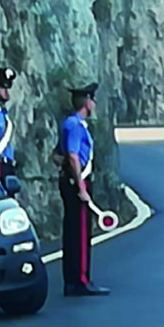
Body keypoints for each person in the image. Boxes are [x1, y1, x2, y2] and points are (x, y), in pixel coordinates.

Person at [56, 82, 110, 297]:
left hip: (70, 180)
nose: (94, 104)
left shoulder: (69, 124)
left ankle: (72, 280)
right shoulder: (76, 126)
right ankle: (81, 279)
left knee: (72, 232)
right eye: (93, 100)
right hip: (78, 182)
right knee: (80, 234)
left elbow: (57, 155)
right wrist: (81, 187)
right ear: (87, 103)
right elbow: (73, 155)